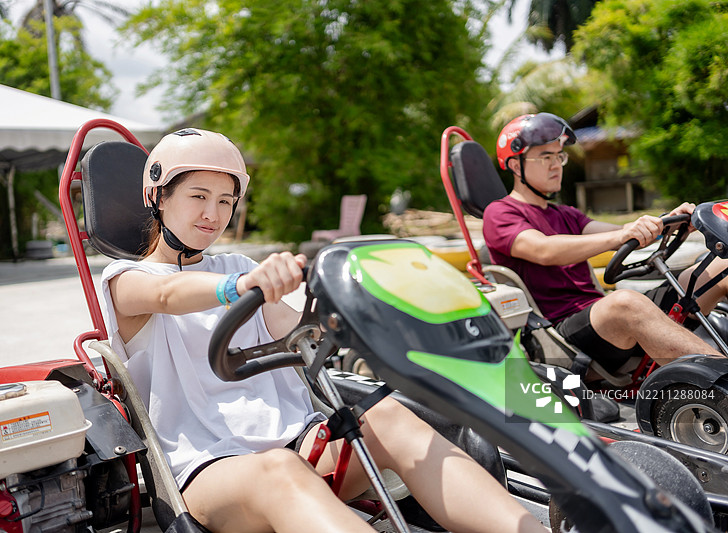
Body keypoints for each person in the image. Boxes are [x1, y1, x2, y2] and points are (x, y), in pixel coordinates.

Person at [101, 129, 546, 533]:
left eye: (224, 200)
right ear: (156, 195)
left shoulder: (240, 266)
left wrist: (359, 311)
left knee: (387, 416)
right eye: (198, 196)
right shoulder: (124, 280)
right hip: (207, 471)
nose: (212, 214)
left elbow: (301, 332)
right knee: (280, 470)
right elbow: (166, 295)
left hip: (300, 443)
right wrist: (237, 287)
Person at [483, 112, 728, 376]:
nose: (556, 165)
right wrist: (620, 237)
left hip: (605, 318)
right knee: (624, 301)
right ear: (516, 165)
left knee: (720, 268)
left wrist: (667, 223)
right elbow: (543, 249)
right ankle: (722, 381)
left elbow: (623, 232)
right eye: (546, 157)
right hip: (561, 332)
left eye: (559, 156)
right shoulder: (500, 213)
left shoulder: (566, 214)